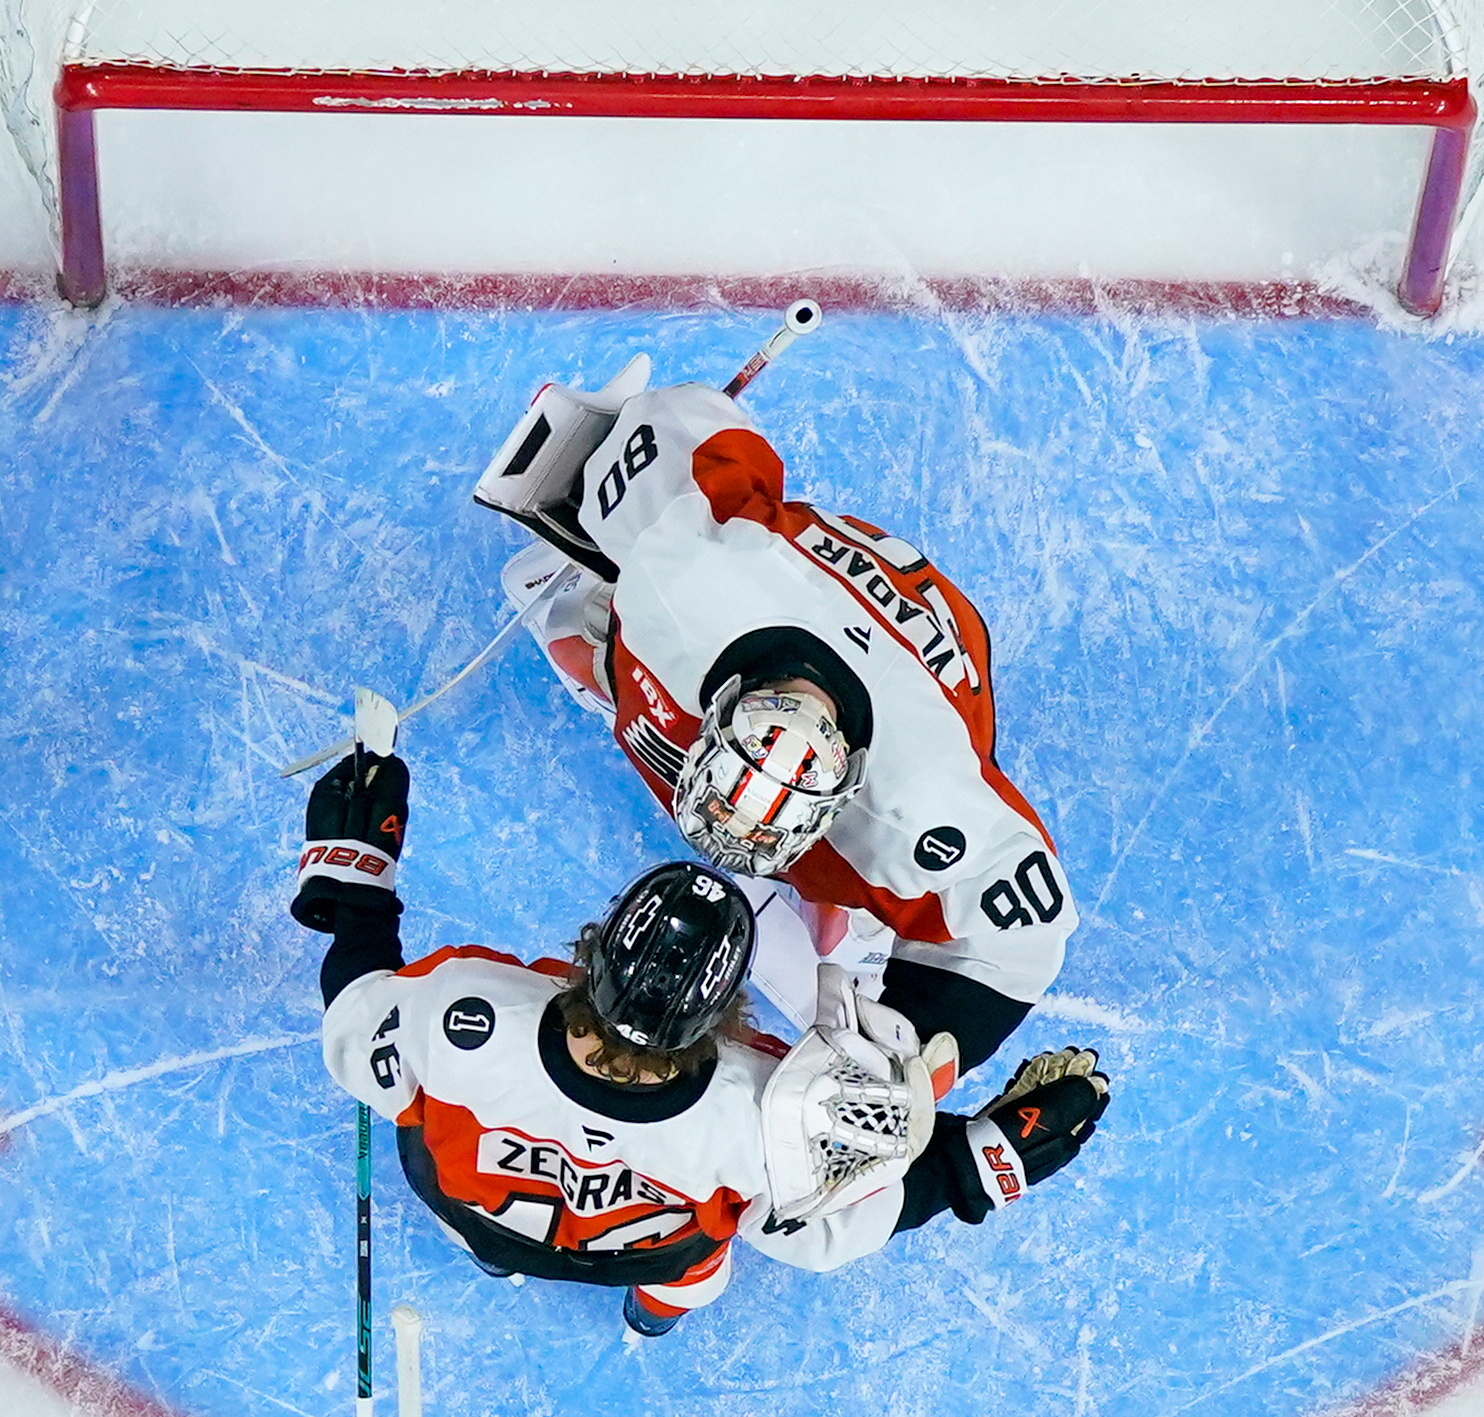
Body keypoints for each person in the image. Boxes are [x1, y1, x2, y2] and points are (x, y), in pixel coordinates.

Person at [288, 697, 1111, 1336]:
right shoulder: (762, 1114)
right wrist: (989, 1160)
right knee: (686, 1274)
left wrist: (353, 881)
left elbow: (356, 1011)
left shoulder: (461, 1011)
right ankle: (650, 1319)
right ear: (725, 1004)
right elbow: (830, 1231)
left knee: (490, 1235)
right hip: (655, 1251)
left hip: (470, 1210)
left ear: (594, 949)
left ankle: (499, 1264)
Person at [475, 361, 1076, 1067]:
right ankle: (602, 639)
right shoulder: (684, 573)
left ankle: (844, 906)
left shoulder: (925, 805)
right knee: (597, 640)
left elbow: (1019, 944)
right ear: (720, 708)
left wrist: (914, 1064)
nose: (721, 844)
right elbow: (677, 421)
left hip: (926, 684)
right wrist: (591, 476)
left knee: (869, 879)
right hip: (778, 596)